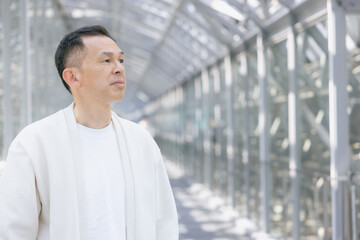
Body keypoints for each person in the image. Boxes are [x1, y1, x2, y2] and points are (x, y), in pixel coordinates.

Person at [0, 25, 179, 240]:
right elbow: (15, 230)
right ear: (73, 77)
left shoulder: (140, 141)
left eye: (121, 60)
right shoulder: (34, 143)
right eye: (106, 61)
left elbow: (163, 221)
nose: (119, 68)